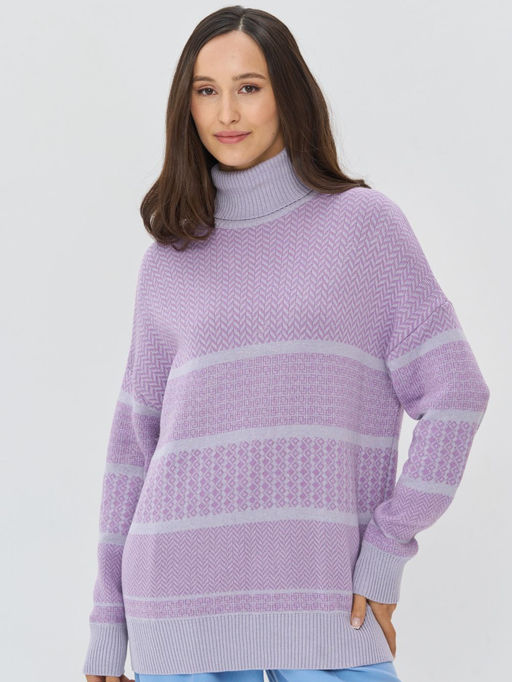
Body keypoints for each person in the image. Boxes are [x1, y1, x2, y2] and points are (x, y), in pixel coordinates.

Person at [82, 5, 490, 682]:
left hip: (332, 607)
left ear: (287, 94)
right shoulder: (168, 260)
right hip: (177, 613)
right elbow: (133, 448)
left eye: (249, 86)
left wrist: (388, 545)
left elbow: (457, 395)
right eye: (206, 90)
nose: (226, 112)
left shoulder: (365, 228)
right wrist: (106, 624)